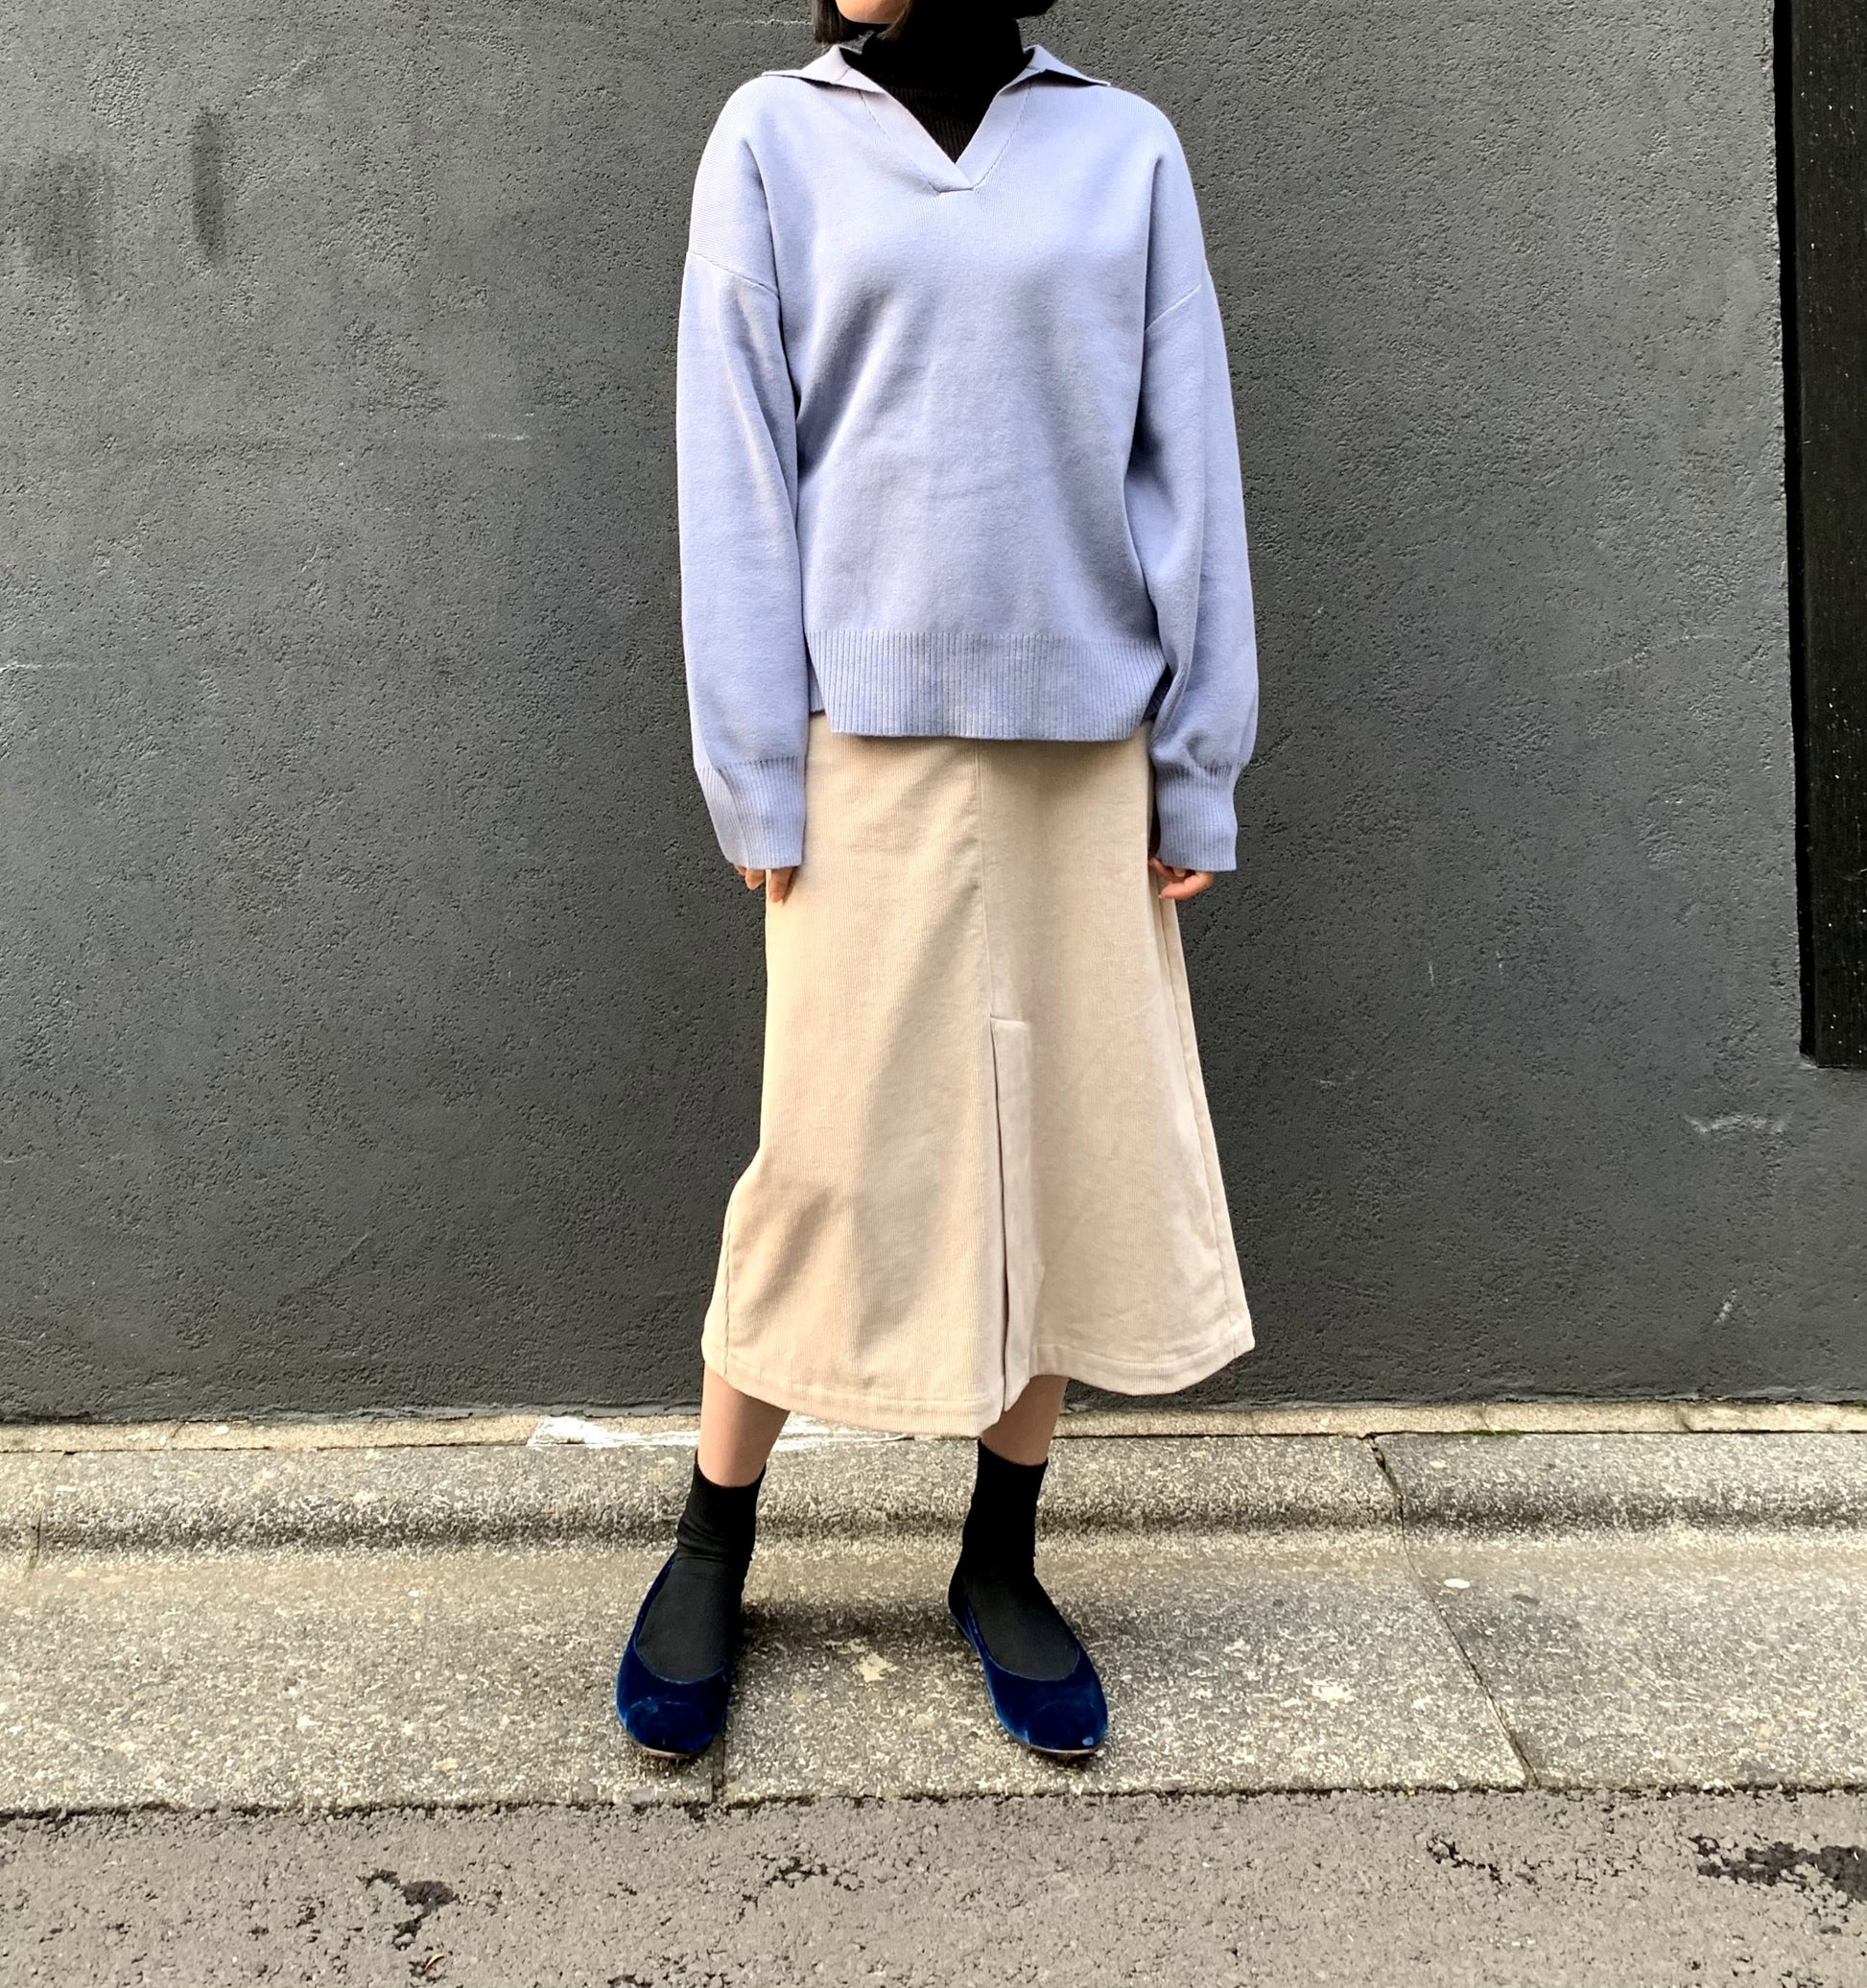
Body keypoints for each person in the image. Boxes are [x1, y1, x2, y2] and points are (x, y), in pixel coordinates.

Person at [617, 0, 1258, 1763]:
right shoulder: (772, 136)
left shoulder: (1121, 146)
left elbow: (1185, 457)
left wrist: (1195, 763)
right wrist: (753, 763)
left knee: (1058, 1150)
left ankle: (1000, 1558)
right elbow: (733, 463)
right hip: (858, 748)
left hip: (1083, 745)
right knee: (823, 1155)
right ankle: (711, 1540)